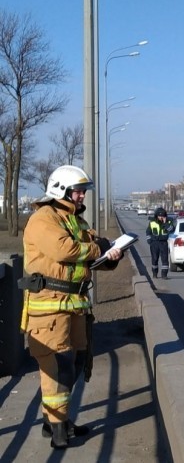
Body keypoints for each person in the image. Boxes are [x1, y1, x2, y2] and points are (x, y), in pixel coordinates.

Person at [20, 165, 123, 450]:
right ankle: (57, 430)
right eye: (78, 191)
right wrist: (97, 248)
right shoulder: (44, 218)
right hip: (49, 307)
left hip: (74, 306)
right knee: (58, 367)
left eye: (83, 191)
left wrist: (111, 253)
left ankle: (56, 420)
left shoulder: (74, 220)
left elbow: (88, 255)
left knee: (76, 363)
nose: (81, 196)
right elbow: (64, 250)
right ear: (61, 190)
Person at [146, 207, 175, 278]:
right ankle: (155, 273)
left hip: (163, 243)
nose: (161, 218)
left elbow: (171, 230)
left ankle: (164, 275)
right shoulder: (152, 222)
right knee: (155, 259)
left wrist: (165, 223)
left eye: (163, 216)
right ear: (156, 216)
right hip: (154, 243)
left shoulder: (168, 222)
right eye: (159, 216)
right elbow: (148, 232)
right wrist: (149, 240)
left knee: (165, 259)